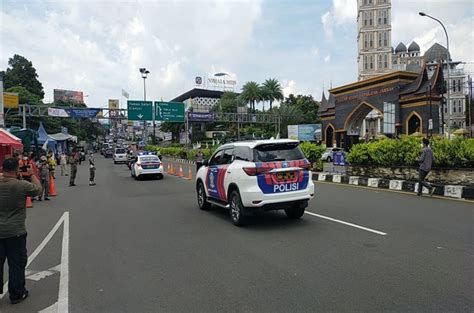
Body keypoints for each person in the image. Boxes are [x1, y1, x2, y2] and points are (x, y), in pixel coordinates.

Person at [0, 158, 42, 304]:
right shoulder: (21, 186)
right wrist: (31, 174)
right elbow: (38, 190)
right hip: (15, 232)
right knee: (16, 264)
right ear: (17, 170)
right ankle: (16, 294)